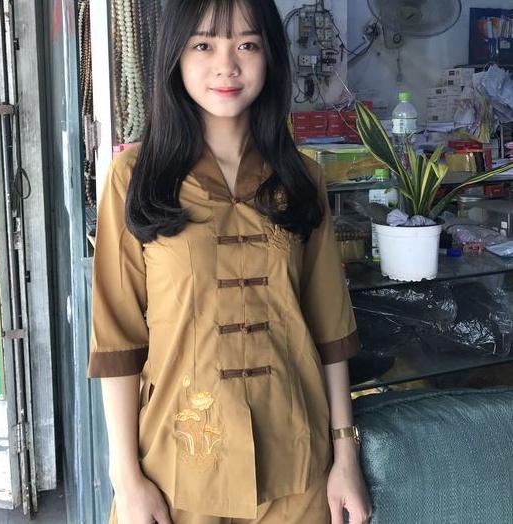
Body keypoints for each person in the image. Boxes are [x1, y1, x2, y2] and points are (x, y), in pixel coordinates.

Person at [87, 1, 373, 523]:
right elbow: (118, 341)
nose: (227, 65)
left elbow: (330, 330)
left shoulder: (301, 179)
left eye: (247, 44)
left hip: (298, 464)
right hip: (178, 470)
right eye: (203, 44)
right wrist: (126, 480)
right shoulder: (135, 179)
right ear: (175, 56)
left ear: (270, 57)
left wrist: (345, 457)